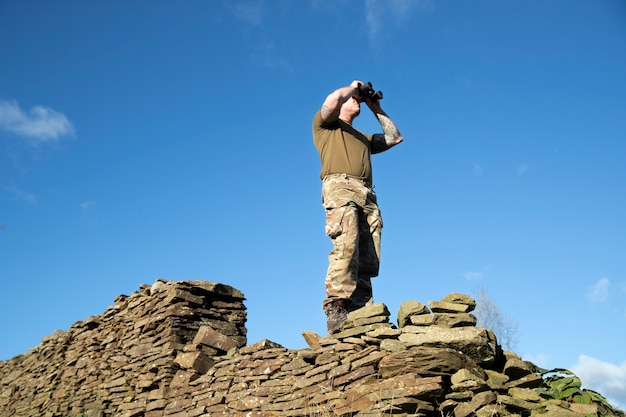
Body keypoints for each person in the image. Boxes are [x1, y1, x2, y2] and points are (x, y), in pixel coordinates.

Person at [312, 80, 404, 334]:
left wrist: (375, 107)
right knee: (347, 243)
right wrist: (352, 88)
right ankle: (337, 306)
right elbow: (331, 101)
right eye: (353, 99)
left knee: (368, 255)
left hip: (367, 194)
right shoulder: (326, 127)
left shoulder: (362, 137)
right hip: (340, 186)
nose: (357, 101)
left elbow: (395, 138)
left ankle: (362, 312)